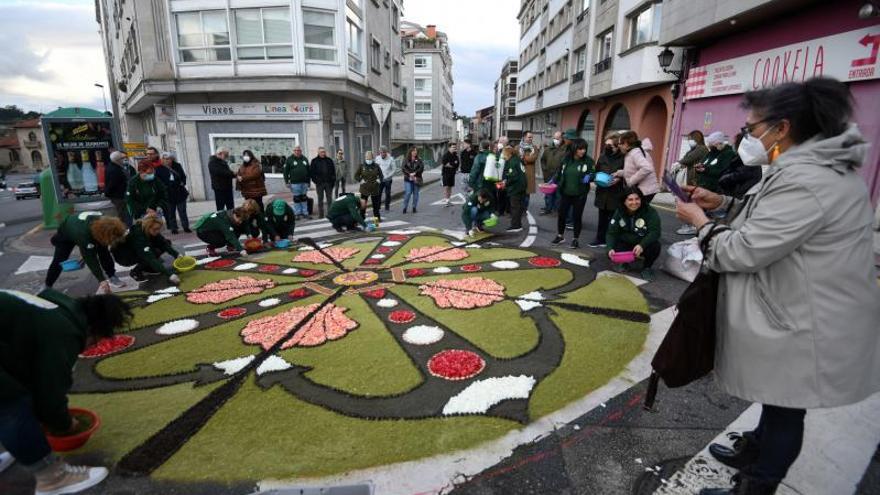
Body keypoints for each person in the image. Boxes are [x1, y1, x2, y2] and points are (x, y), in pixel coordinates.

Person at [675, 78, 880, 495]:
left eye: (751, 129)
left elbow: (742, 251)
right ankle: (756, 450)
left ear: (781, 128)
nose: (747, 138)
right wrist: (726, 204)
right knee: (778, 399)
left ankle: (756, 485)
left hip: (806, 318)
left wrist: (701, 223)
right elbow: (775, 223)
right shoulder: (810, 170)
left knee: (787, 408)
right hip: (801, 308)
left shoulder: (807, 179)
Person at [0, 289, 132, 495]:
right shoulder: (62, 330)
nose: (88, 348)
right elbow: (49, 392)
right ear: (93, 330)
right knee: (11, 404)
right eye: (95, 342)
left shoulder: (53, 308)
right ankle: (52, 478)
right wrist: (65, 424)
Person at [44, 213, 127, 294]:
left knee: (103, 251)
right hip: (67, 233)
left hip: (83, 227)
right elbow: (91, 259)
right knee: (59, 260)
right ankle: (48, 285)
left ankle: (112, 276)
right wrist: (101, 280)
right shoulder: (84, 235)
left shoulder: (106, 223)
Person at [606, 187, 662, 281]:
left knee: (655, 246)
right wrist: (609, 248)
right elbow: (611, 232)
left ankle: (647, 268)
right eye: (630, 200)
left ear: (641, 199)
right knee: (616, 244)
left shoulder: (650, 211)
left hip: (642, 243)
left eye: (637, 199)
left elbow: (655, 232)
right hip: (626, 242)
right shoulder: (619, 211)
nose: (634, 202)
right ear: (624, 201)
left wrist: (642, 245)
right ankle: (624, 262)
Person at [111, 215, 181, 284]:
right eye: (155, 229)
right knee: (150, 255)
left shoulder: (149, 230)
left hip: (135, 250)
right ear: (148, 227)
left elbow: (163, 243)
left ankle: (147, 268)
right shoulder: (138, 235)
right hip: (124, 256)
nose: (157, 231)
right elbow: (149, 257)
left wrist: (177, 255)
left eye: (158, 229)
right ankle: (135, 272)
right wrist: (169, 274)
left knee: (167, 242)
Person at [550, 138, 594, 248]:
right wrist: (552, 181)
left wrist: (589, 177)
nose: (583, 151)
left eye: (584, 149)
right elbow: (559, 172)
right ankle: (560, 236)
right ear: (574, 149)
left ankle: (575, 239)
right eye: (580, 149)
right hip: (565, 192)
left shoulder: (588, 161)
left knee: (576, 216)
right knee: (562, 215)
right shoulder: (566, 159)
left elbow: (593, 173)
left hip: (580, 194)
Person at [589, 134, 625, 248]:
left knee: (614, 220)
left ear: (616, 146)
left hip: (616, 193)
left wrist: (619, 179)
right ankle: (599, 239)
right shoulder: (603, 156)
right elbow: (597, 169)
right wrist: (595, 177)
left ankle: (611, 242)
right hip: (602, 191)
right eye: (606, 145)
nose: (607, 147)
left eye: (610, 145)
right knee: (602, 218)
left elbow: (628, 173)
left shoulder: (624, 158)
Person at [615, 131, 659, 203]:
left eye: (620, 143)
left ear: (626, 143)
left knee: (636, 210)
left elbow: (647, 168)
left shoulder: (635, 153)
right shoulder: (633, 152)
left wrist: (631, 181)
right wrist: (619, 173)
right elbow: (634, 170)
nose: (619, 146)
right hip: (645, 189)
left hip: (645, 190)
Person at [717, 132, 762, 199]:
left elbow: (739, 175)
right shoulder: (744, 157)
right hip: (738, 195)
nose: (733, 144)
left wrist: (723, 178)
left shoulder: (747, 159)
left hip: (739, 196)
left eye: (735, 142)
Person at [154, 152, 190, 234]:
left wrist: (183, 183)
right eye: (165, 159)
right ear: (162, 160)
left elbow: (183, 176)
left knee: (182, 211)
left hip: (179, 192)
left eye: (168, 159)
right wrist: (164, 188)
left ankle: (186, 226)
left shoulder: (177, 166)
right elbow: (157, 181)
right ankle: (174, 228)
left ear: (172, 159)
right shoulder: (159, 169)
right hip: (168, 193)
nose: (167, 161)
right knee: (171, 212)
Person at [500, 146, 527, 233]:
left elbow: (513, 176)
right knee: (519, 206)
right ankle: (518, 224)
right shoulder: (517, 159)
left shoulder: (512, 162)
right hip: (522, 186)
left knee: (515, 207)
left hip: (516, 187)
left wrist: (505, 183)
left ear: (509, 153)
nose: (503, 155)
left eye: (504, 153)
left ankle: (515, 225)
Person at [104, 151, 134, 226]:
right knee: (124, 216)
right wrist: (108, 193)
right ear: (117, 160)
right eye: (122, 158)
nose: (124, 159)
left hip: (121, 195)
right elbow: (112, 185)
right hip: (119, 197)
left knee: (125, 214)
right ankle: (126, 230)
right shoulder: (115, 170)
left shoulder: (115, 167)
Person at [539, 131, 566, 215]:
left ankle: (556, 210)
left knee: (558, 194)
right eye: (554, 138)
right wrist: (545, 170)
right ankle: (548, 208)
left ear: (562, 139)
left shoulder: (565, 150)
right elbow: (543, 160)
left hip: (559, 176)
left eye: (557, 138)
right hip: (548, 175)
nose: (555, 140)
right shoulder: (548, 149)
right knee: (548, 194)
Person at [284, 145, 311, 219]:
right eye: (295, 150)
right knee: (297, 198)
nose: (297, 152)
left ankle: (305, 213)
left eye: (298, 150)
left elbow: (309, 171)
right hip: (295, 183)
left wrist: (309, 182)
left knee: (304, 197)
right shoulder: (289, 159)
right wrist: (286, 181)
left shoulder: (304, 159)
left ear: (301, 151)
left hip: (304, 182)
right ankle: (297, 213)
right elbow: (285, 172)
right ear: (293, 151)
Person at [355, 151, 384, 221]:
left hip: (374, 188)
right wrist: (360, 180)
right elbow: (356, 176)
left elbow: (381, 176)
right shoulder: (361, 166)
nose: (369, 160)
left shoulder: (376, 166)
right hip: (364, 188)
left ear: (372, 158)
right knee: (363, 205)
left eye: (370, 159)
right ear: (365, 158)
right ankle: (362, 218)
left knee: (376, 205)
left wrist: (379, 180)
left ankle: (377, 218)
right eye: (367, 159)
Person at [310, 147, 336, 218]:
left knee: (329, 199)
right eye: (321, 152)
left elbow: (333, 172)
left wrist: (333, 181)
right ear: (318, 153)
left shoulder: (329, 160)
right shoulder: (314, 161)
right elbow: (312, 173)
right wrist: (316, 181)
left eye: (324, 152)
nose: (323, 153)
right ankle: (321, 215)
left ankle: (330, 213)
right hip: (319, 184)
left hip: (328, 183)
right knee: (320, 200)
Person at [401, 147, 424, 214]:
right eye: (413, 151)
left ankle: (414, 207)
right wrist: (409, 174)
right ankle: (405, 207)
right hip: (408, 179)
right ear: (410, 151)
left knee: (416, 194)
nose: (415, 152)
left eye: (416, 151)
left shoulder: (419, 159)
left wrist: (415, 173)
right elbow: (403, 168)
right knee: (408, 193)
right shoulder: (406, 159)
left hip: (416, 179)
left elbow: (421, 168)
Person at [519, 132, 539, 205]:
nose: (531, 139)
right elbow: (516, 158)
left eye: (531, 137)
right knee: (519, 192)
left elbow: (533, 158)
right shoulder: (518, 147)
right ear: (524, 137)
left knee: (527, 193)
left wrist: (522, 157)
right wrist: (524, 158)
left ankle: (525, 209)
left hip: (529, 173)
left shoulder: (534, 148)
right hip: (519, 173)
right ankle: (519, 208)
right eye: (529, 137)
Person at [375, 146, 395, 211]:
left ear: (386, 152)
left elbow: (394, 169)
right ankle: (378, 206)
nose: (382, 154)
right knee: (378, 193)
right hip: (380, 179)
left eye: (383, 152)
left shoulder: (391, 159)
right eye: (380, 152)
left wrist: (388, 176)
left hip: (388, 179)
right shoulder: (377, 158)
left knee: (387, 193)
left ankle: (387, 206)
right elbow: (376, 168)